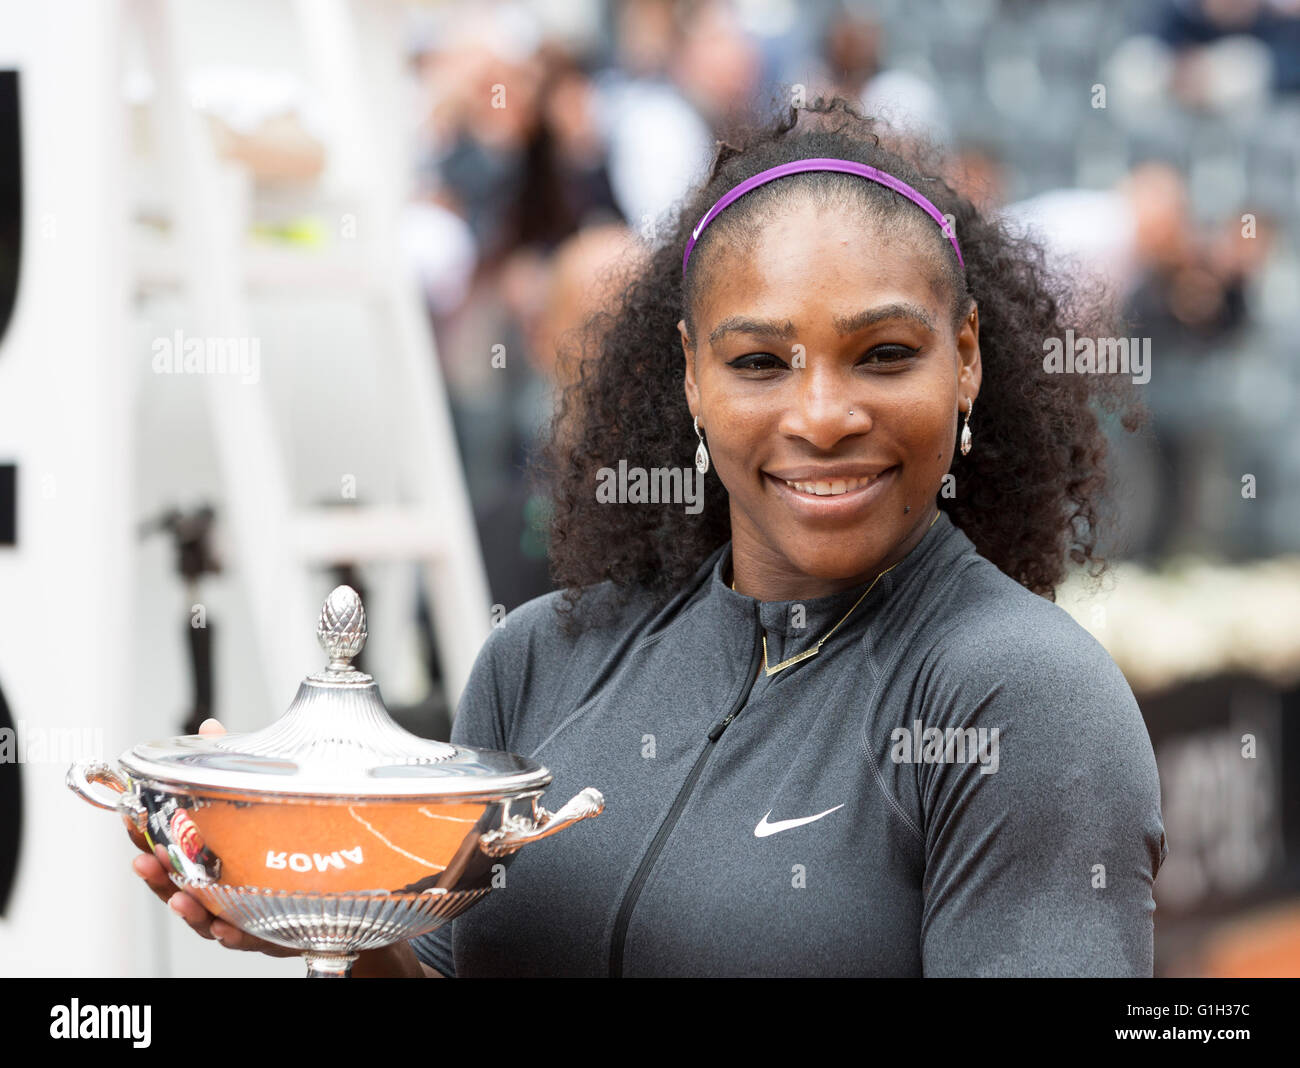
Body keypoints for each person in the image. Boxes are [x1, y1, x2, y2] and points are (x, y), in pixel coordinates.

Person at [133, 95, 1168, 977]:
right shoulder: (538, 659)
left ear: (967, 359)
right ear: (690, 378)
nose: (820, 415)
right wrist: (333, 916)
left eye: (884, 354)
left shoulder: (1023, 696)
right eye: (759, 362)